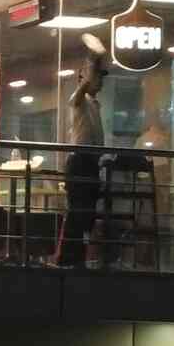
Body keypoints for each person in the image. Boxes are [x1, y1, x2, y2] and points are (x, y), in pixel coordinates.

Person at [56, 46, 108, 267]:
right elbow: (83, 88)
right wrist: (92, 63)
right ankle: (67, 260)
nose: (100, 81)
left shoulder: (95, 104)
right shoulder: (78, 100)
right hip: (79, 161)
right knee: (78, 213)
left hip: (92, 163)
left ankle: (78, 259)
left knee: (87, 214)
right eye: (97, 77)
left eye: (101, 77)